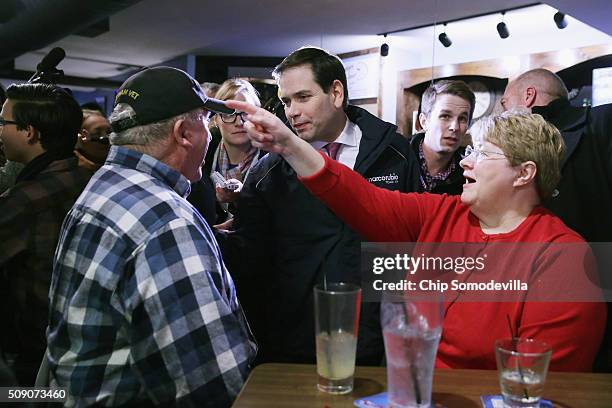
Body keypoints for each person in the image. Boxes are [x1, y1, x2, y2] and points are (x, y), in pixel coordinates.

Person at [229, 96, 607, 371]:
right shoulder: (440, 213)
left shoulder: (563, 258)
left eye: (483, 153)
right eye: (469, 150)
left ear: (524, 173)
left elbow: (539, 386)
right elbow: (360, 197)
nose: (466, 160)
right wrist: (289, 144)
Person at [47, 67, 256, 406]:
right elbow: (216, 385)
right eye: (204, 120)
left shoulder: (103, 186)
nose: (210, 131)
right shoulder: (166, 221)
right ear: (183, 133)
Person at [218, 46, 420, 365]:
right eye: (286, 101)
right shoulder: (268, 172)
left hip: (378, 340)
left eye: (303, 97)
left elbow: (413, 245)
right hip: (295, 345)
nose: (292, 111)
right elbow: (250, 264)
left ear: (336, 92)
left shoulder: (395, 154)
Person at [502, 68, 612, 371]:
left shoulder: (601, 124)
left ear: (528, 96)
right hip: (529, 306)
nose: (502, 116)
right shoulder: (504, 159)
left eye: (505, 104)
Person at [0, 83, 92, 385]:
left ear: (29, 132)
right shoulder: (87, 179)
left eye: (3, 122)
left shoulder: (23, 201)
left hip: (34, 354)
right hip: (78, 344)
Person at [205, 78, 265, 224]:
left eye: (245, 113)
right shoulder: (202, 156)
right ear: (216, 119)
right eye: (228, 114)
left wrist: (240, 200)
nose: (238, 122)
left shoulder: (273, 160)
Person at [412, 80, 474, 194]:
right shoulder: (397, 159)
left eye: (462, 119)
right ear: (424, 121)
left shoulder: (471, 172)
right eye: (445, 116)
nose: (454, 127)